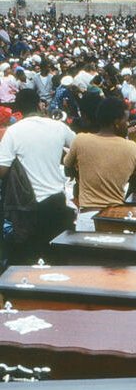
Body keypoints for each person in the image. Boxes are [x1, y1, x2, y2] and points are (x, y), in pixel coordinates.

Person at [0, 87, 75, 262]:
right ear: (39, 105)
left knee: (26, 261)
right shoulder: (59, 127)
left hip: (27, 208)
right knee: (55, 259)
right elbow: (79, 146)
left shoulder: (14, 131)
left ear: (18, 109)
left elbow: (2, 169)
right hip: (56, 202)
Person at [63, 96, 136, 210]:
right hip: (114, 215)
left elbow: (67, 165)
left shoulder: (80, 140)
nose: (128, 123)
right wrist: (133, 140)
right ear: (117, 122)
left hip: (87, 214)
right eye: (126, 120)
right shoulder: (131, 147)